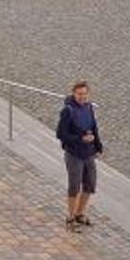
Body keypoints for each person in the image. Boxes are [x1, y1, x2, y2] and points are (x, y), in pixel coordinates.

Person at [56, 80, 103, 230]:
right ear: (74, 94)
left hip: (88, 152)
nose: (82, 97)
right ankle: (70, 218)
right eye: (79, 94)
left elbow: (94, 127)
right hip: (74, 154)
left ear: (88, 94)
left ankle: (79, 213)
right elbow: (60, 134)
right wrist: (80, 139)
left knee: (90, 184)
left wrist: (98, 145)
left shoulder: (89, 107)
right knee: (74, 186)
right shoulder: (68, 110)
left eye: (84, 94)